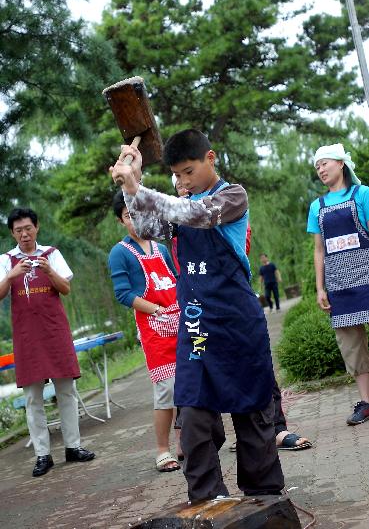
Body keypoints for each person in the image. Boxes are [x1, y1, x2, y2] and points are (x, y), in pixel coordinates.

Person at [110, 128, 285, 501]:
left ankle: (264, 497)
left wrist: (139, 188)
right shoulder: (178, 205)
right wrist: (131, 186)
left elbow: (196, 214)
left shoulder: (232, 196)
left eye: (188, 171)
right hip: (196, 325)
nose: (182, 181)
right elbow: (144, 225)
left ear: (211, 158)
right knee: (191, 414)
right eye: (176, 174)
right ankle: (207, 499)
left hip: (237, 323)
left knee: (252, 410)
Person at [171, 175, 311, 452]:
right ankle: (198, 439)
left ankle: (275, 429)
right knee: (195, 374)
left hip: (231, 303)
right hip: (195, 309)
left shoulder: (227, 201)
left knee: (256, 366)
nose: (184, 184)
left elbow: (235, 248)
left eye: (189, 175)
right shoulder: (173, 218)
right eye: (178, 180)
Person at [0, 208, 95, 477]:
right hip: (26, 336)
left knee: (66, 391)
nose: (24, 234)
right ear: (12, 233)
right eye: (18, 230)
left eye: (28, 228)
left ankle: (73, 447)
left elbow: (65, 289)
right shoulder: (6, 260)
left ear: (37, 227)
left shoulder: (51, 254)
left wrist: (49, 270)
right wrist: (12, 274)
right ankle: (43, 454)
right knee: (32, 398)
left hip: (55, 332)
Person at [108, 190, 181, 473]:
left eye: (138, 213)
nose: (134, 220)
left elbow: (175, 280)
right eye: (128, 216)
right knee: (166, 390)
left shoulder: (161, 248)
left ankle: (186, 442)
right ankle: (162, 450)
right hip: (154, 327)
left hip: (179, 323)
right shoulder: (120, 253)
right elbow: (123, 294)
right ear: (120, 220)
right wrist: (155, 310)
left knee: (188, 385)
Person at [307, 143, 369, 426]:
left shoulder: (363, 194)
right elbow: (319, 250)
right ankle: (367, 402)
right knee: (351, 346)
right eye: (317, 166)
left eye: (325, 163)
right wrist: (320, 288)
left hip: (367, 276)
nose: (320, 169)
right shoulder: (316, 207)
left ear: (341, 163)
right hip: (339, 285)